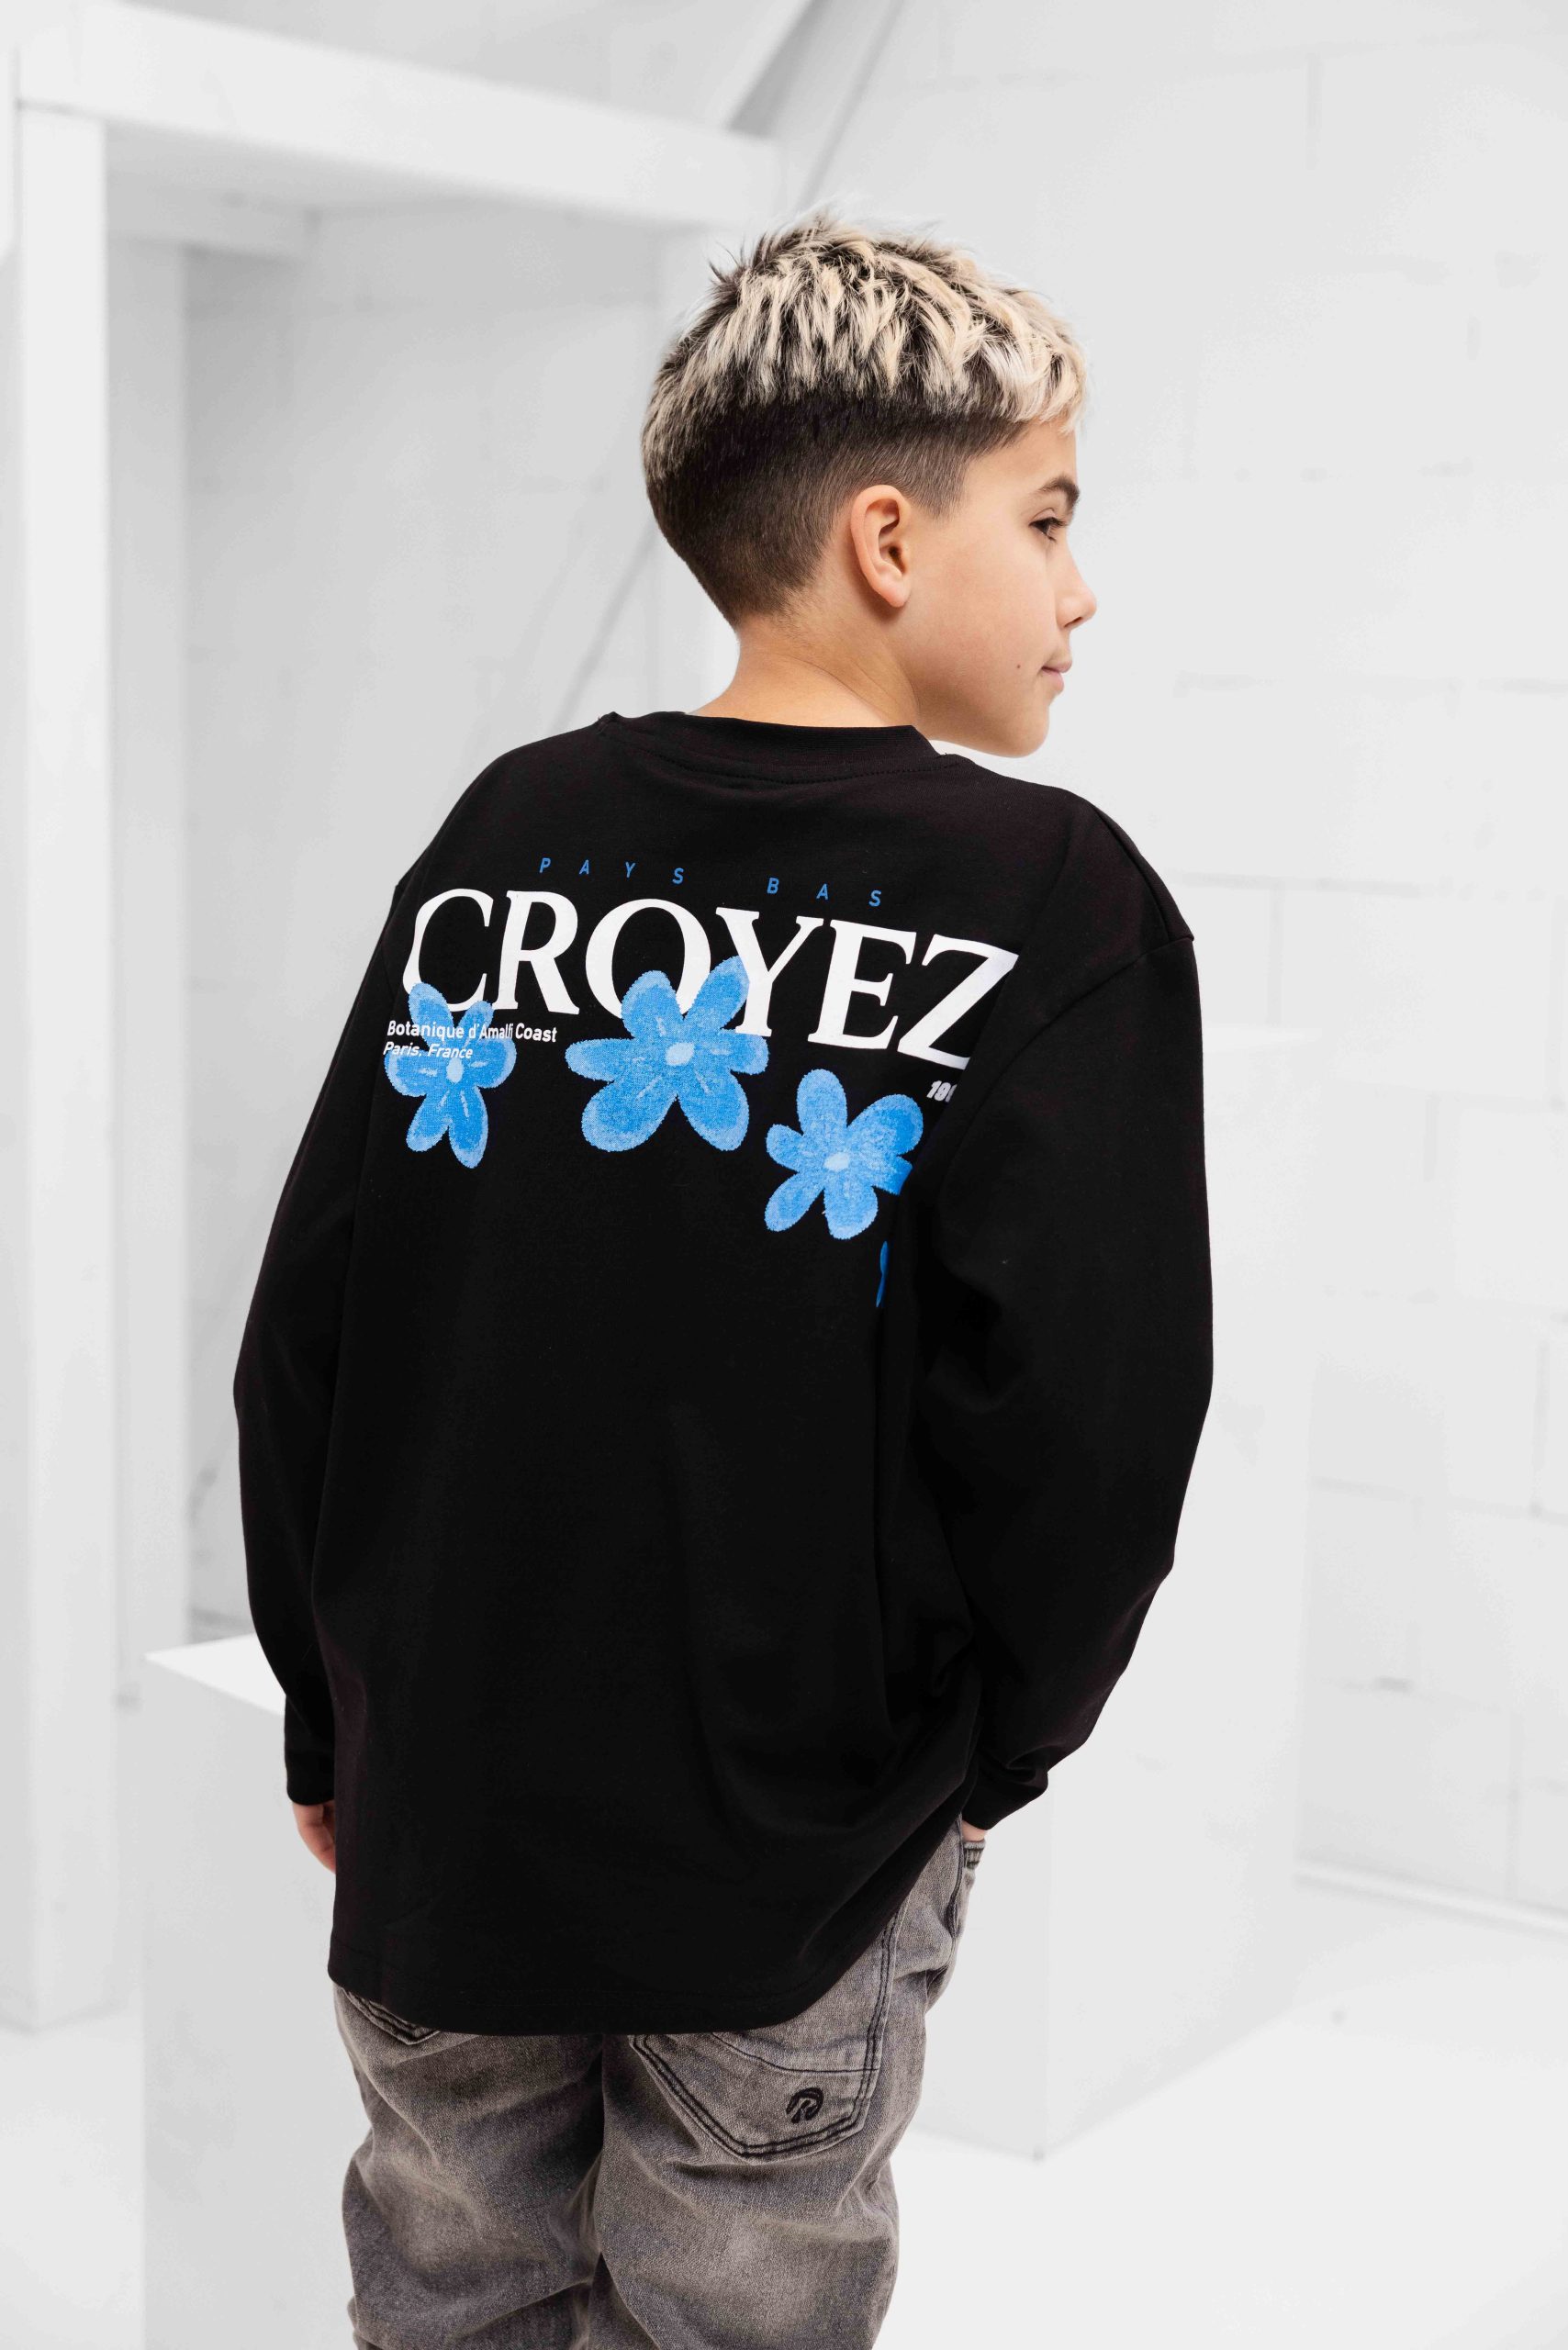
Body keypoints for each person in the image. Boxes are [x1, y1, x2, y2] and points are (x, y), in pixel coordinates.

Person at [233, 205, 1214, 2349]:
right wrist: (987, 1759)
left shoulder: (507, 833)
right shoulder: (1047, 894)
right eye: (1048, 517)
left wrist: (333, 1706)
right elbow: (1090, 1420)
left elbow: (311, 1321)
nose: (1078, 588)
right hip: (794, 1853)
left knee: (448, 2305)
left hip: (449, 1817)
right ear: (887, 538)